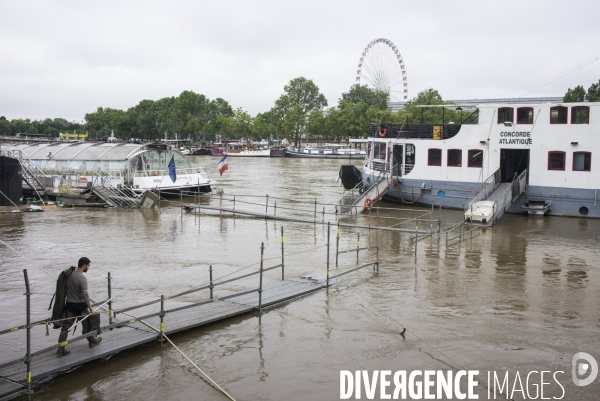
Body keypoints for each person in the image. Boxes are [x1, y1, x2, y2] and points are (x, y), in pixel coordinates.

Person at [57, 257, 102, 356]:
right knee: (86, 326)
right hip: (81, 306)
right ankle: (92, 341)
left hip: (69, 305)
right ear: (84, 265)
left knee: (65, 328)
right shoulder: (82, 278)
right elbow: (85, 295)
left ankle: (61, 349)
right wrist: (90, 308)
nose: (88, 268)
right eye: (88, 265)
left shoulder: (69, 274)